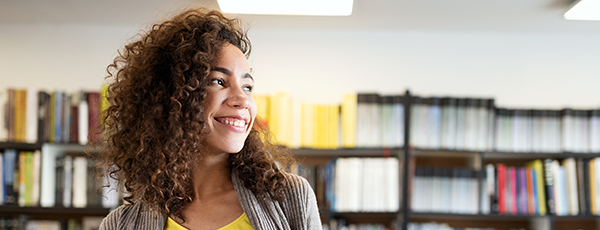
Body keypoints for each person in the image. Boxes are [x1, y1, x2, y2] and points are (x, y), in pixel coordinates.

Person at [97, 8, 322, 230]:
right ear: (173, 97)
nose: (242, 100)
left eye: (247, 86)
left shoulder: (290, 198)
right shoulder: (120, 224)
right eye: (219, 81)